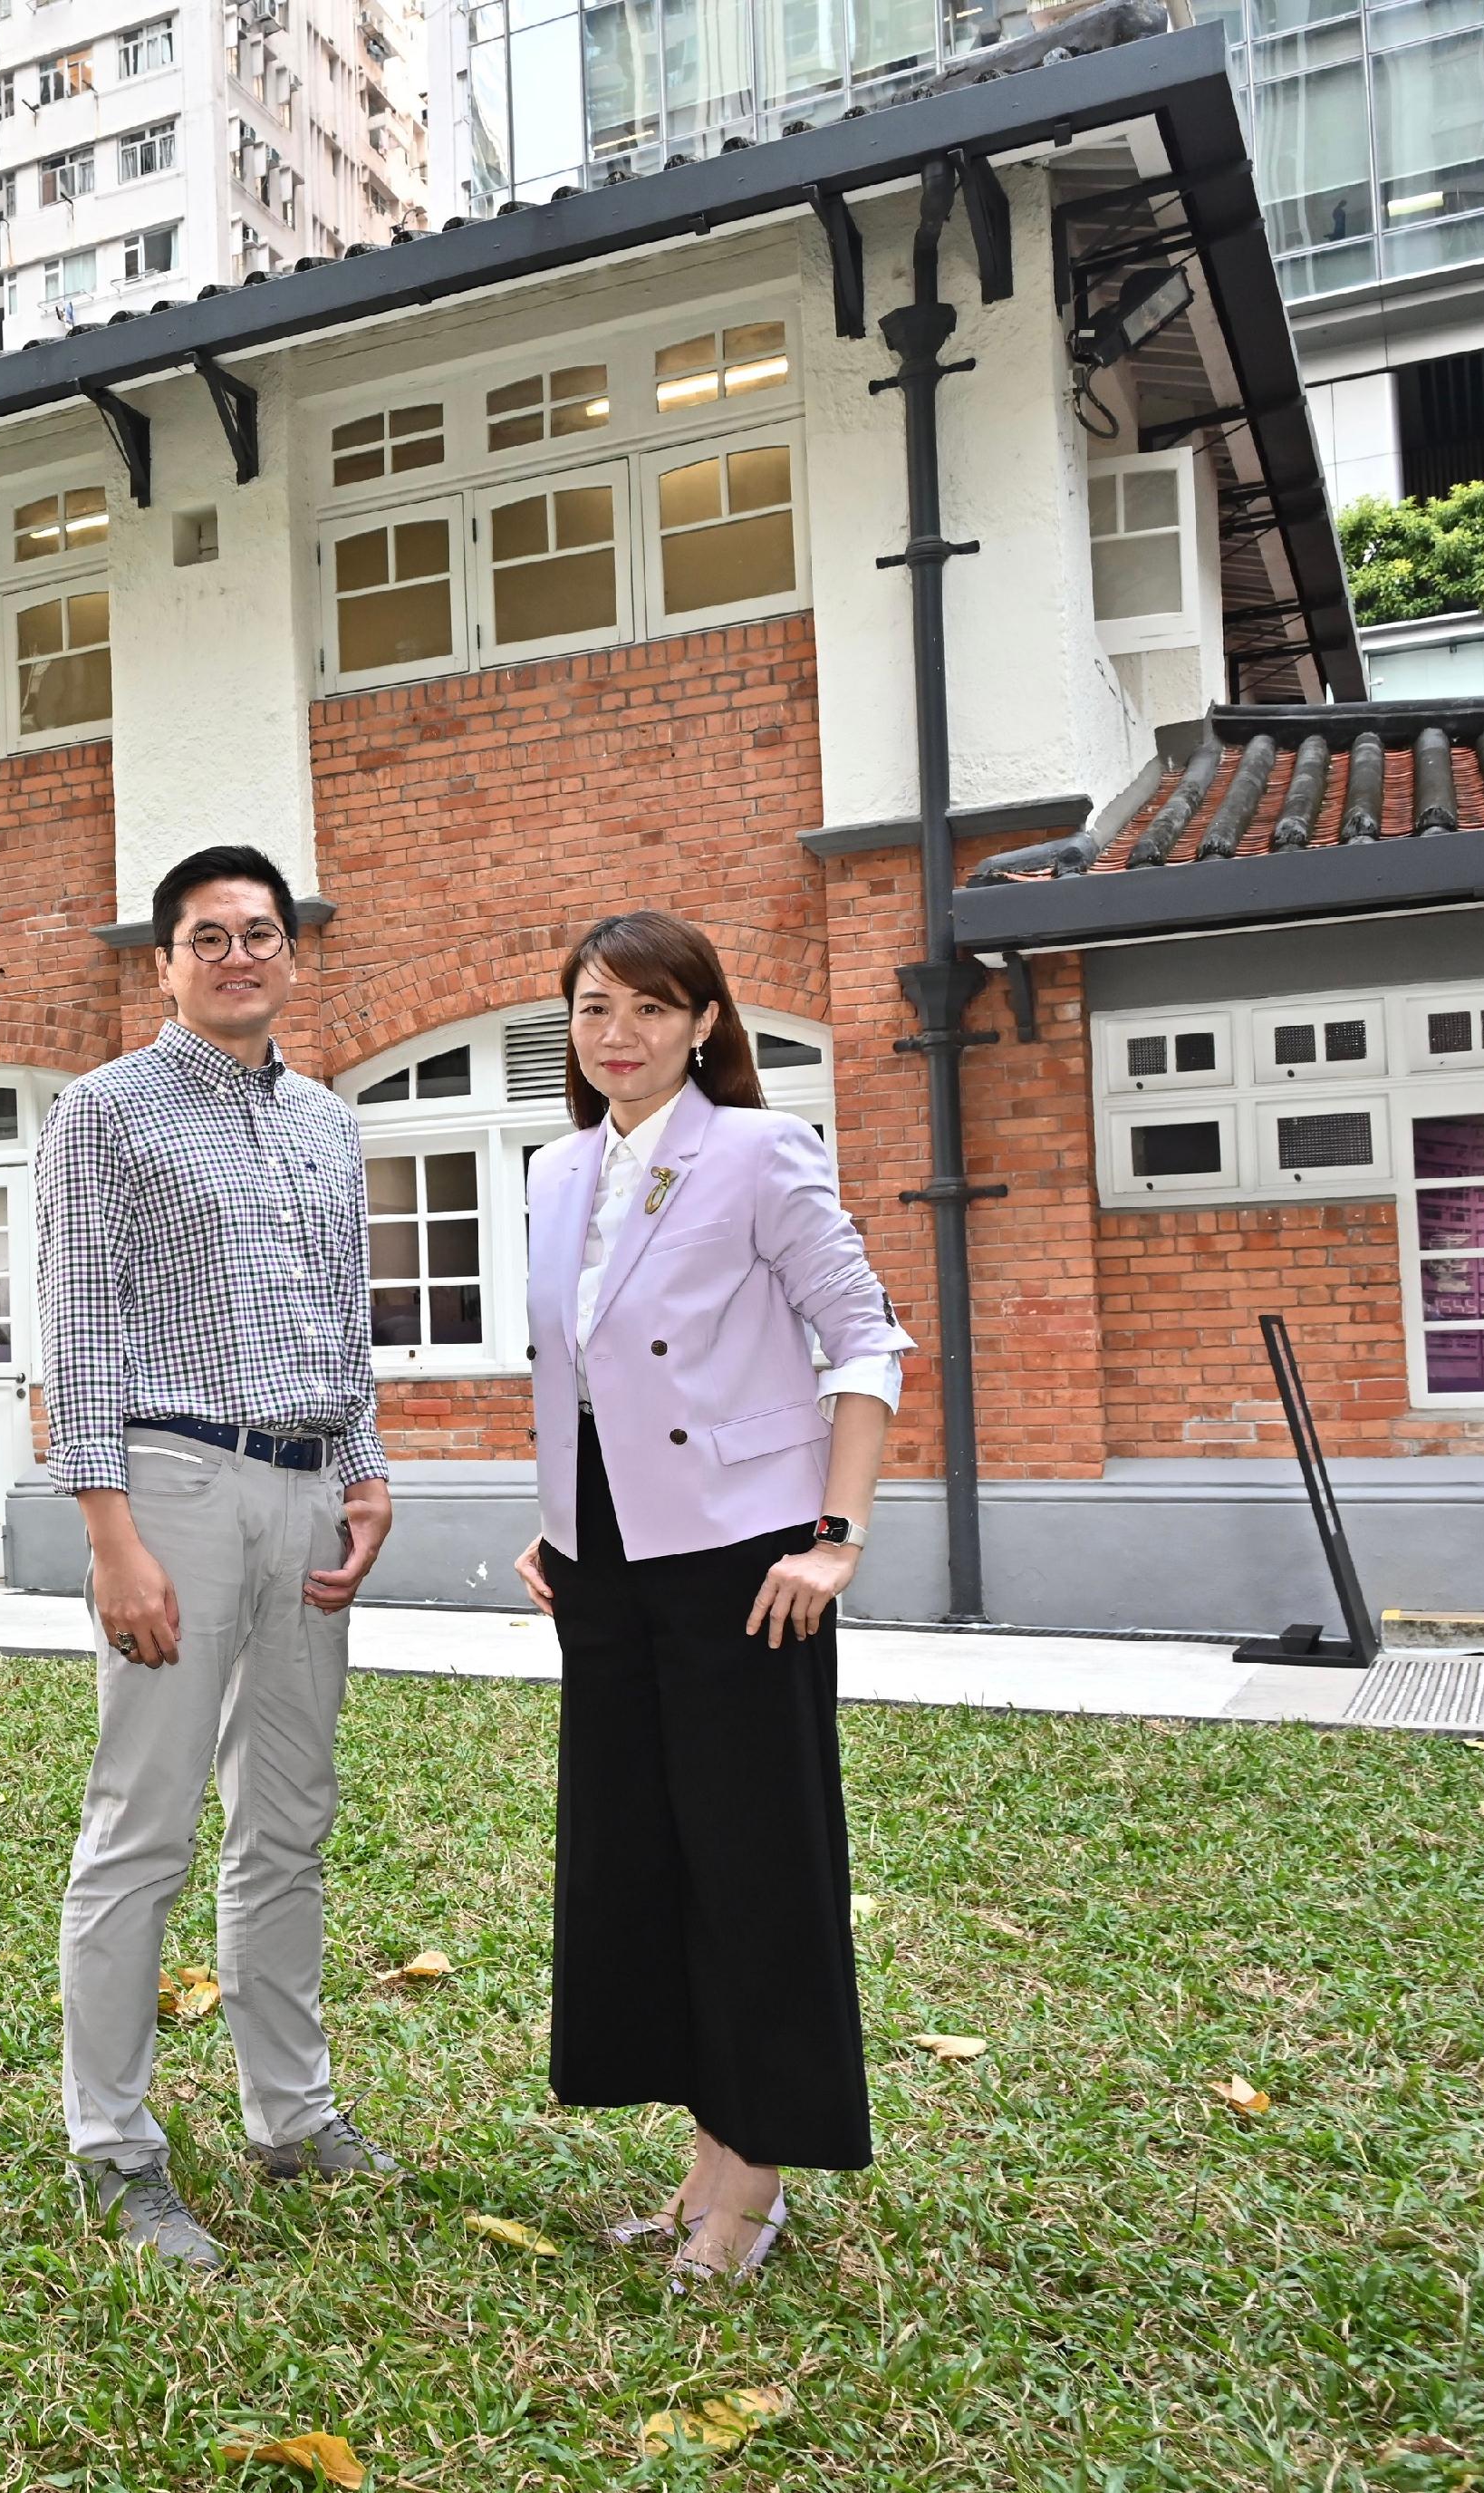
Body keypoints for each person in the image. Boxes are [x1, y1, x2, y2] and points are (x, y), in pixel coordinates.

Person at [507, 911, 911, 2286]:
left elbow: (864, 1340)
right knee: (646, 1863)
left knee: (755, 1866)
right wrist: (557, 1529)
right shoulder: (557, 1174)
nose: (614, 1034)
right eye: (590, 1008)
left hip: (750, 1564)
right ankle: (705, 2158)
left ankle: (756, 2176)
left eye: (645, 1009)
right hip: (606, 1571)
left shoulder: (757, 1150)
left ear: (701, 1023)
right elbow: (582, 1371)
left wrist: (836, 1539)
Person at [35, 845, 395, 2271]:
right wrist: (109, 1533)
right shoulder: (103, 1114)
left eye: (262, 933)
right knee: (146, 1825)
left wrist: (365, 1466)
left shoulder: (324, 1122)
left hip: (313, 1491)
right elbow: (78, 1328)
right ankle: (113, 2144)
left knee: (289, 1820)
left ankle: (292, 2112)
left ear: (291, 954)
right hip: (173, 1483)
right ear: (166, 963)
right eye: (209, 936)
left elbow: (342, 1311)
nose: (239, 954)